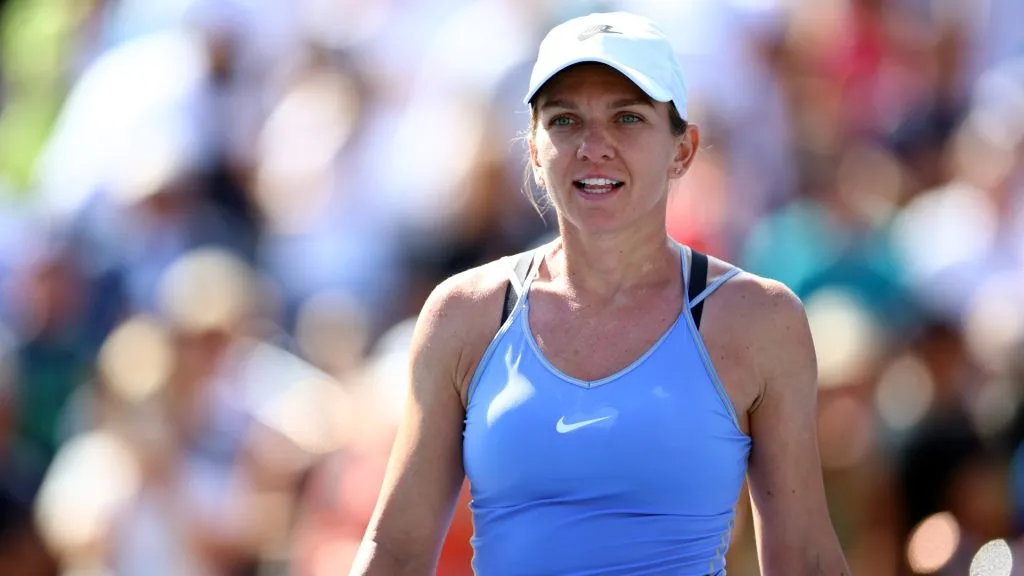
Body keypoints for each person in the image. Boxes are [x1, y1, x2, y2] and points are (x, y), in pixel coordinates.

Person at [350, 11, 850, 576]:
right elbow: (393, 552)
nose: (594, 146)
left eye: (628, 118)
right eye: (565, 121)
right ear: (535, 149)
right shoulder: (462, 315)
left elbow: (804, 559)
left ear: (683, 149)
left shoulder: (762, 320)